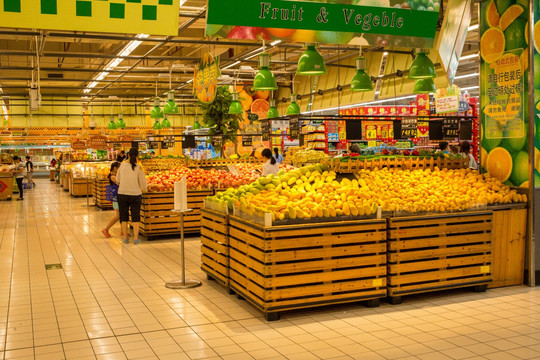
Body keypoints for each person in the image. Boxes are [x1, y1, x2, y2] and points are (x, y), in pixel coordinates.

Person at [116, 148, 147, 244]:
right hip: (135, 195)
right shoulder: (138, 167)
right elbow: (143, 184)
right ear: (137, 156)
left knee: (124, 217)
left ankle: (125, 238)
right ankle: (136, 238)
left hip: (122, 194)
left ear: (128, 155)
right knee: (135, 216)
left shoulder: (122, 166)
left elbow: (117, 180)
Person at [102, 162, 122, 238]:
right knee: (118, 216)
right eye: (119, 168)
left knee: (120, 215)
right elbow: (120, 183)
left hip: (118, 196)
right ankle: (106, 229)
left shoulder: (115, 175)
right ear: (115, 168)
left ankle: (123, 231)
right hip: (116, 197)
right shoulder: (113, 176)